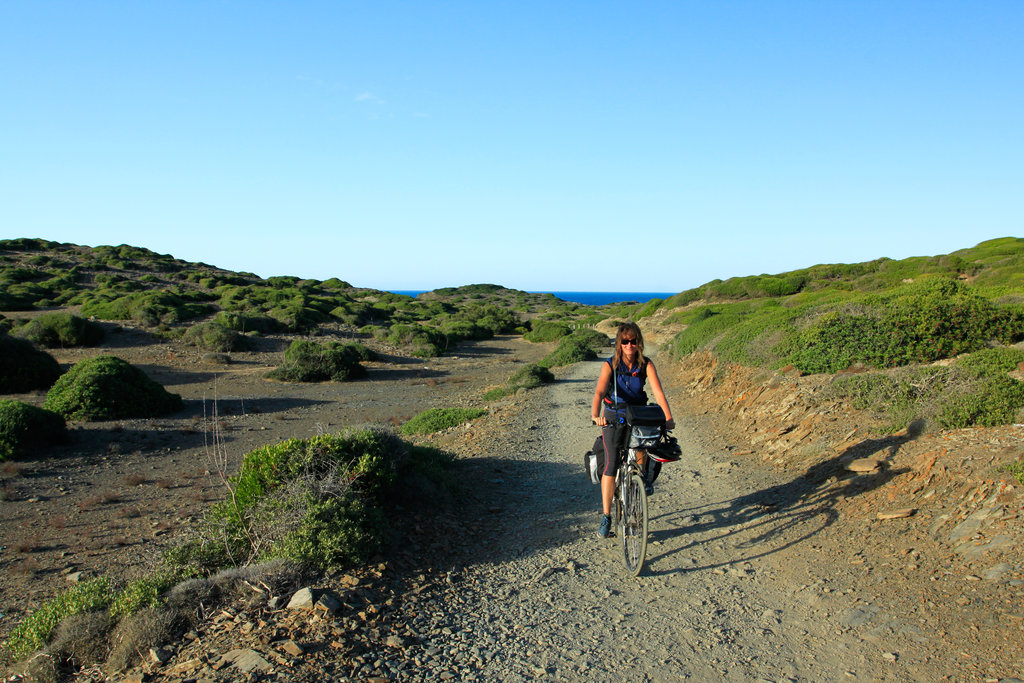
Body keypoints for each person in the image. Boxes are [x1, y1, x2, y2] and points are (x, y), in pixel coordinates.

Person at [590, 322, 675, 538]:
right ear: (619, 343)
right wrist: (596, 416)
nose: (629, 345)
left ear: (639, 343)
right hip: (613, 415)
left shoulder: (646, 365)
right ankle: (606, 516)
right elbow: (599, 393)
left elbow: (658, 392)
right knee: (611, 465)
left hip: (637, 414)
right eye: (625, 341)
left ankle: (640, 483)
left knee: (643, 453)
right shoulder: (610, 365)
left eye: (633, 341)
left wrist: (668, 418)